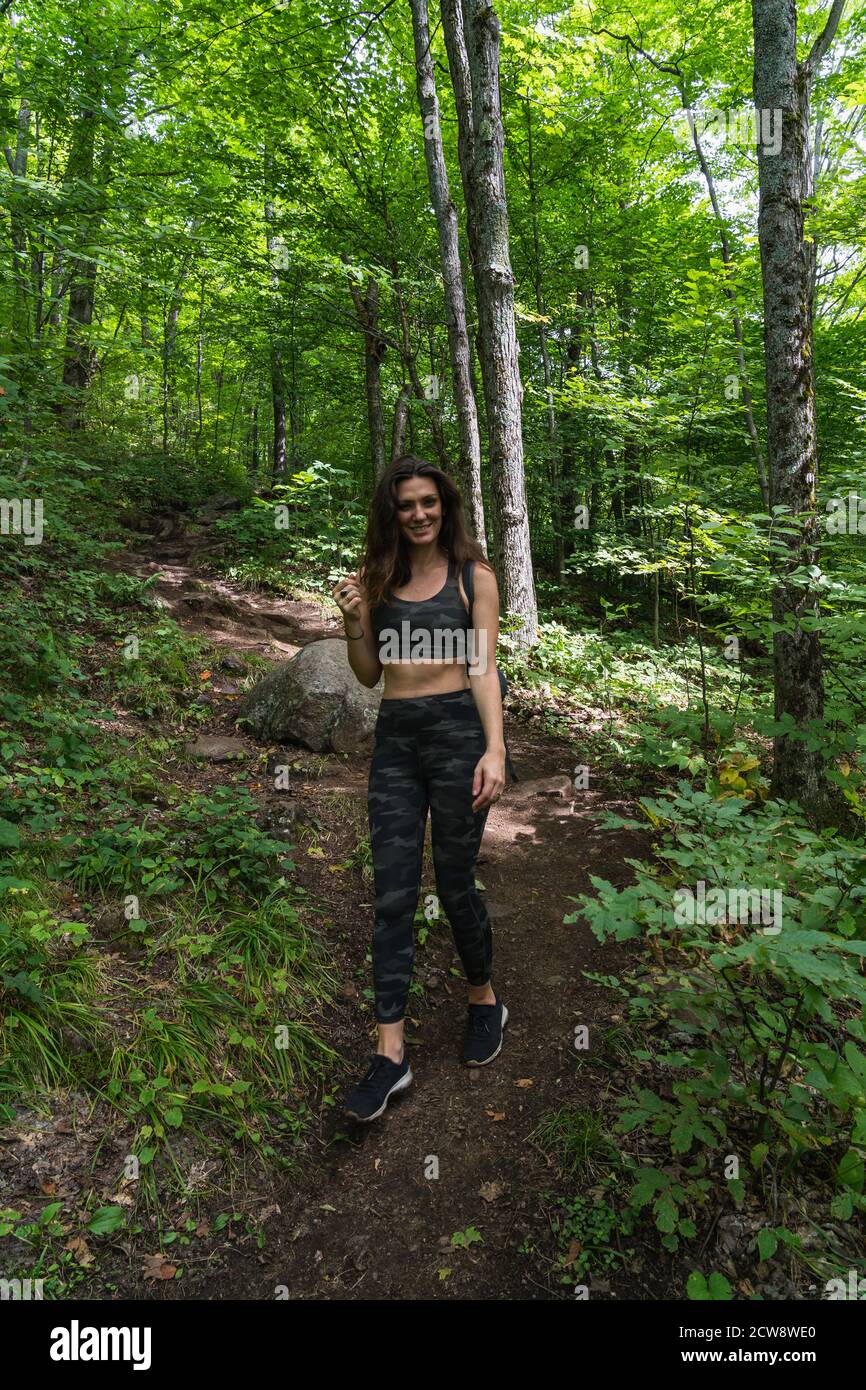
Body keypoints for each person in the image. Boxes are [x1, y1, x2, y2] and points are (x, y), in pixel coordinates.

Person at [331, 454, 510, 1122]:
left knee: (455, 881)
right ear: (392, 512)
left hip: (460, 738)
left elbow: (485, 668)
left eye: (428, 502)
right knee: (394, 892)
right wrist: (353, 618)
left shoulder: (474, 577)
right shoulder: (378, 577)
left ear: (445, 505)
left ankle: (484, 998)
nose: (418, 514)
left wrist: (494, 749)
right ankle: (390, 1053)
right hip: (397, 744)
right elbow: (370, 674)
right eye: (406, 504)